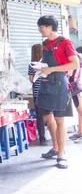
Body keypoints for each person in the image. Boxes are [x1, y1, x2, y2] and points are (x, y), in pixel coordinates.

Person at [35, 15, 78, 169]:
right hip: (46, 83)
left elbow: (75, 64)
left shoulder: (65, 42)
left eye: (42, 27)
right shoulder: (45, 44)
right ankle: (55, 147)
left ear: (50, 27)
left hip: (60, 84)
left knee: (60, 120)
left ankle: (61, 155)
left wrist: (52, 69)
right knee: (48, 117)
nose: (40, 29)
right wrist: (39, 69)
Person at [28, 44, 46, 145]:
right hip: (47, 92)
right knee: (49, 115)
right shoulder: (46, 64)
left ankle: (42, 138)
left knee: (39, 116)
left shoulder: (31, 65)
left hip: (37, 93)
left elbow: (31, 80)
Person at [69, 46, 82, 142]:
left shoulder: (76, 59)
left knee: (80, 110)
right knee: (80, 111)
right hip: (77, 87)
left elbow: (72, 75)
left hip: (77, 87)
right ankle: (79, 132)